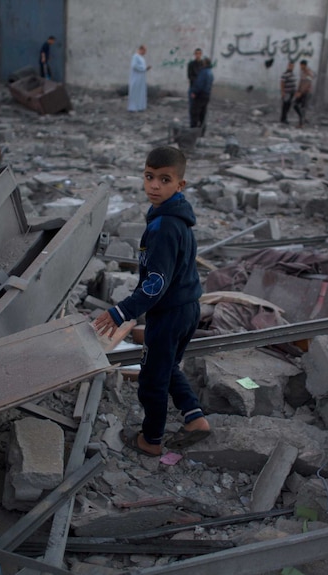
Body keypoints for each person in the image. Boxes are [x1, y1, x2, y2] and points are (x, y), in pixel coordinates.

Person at [93, 146, 211, 457]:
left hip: (169, 314)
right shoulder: (177, 217)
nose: (154, 186)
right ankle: (194, 416)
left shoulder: (164, 227)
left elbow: (155, 284)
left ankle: (151, 440)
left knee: (152, 378)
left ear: (180, 185)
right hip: (188, 308)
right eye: (149, 177)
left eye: (164, 179)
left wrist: (121, 312)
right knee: (168, 366)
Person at [189, 57, 213, 134]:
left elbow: (199, 84)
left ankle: (193, 131)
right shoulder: (210, 72)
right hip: (206, 95)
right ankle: (202, 131)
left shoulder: (203, 72)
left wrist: (194, 92)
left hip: (200, 95)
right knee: (203, 113)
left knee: (195, 112)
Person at [128, 45, 150, 112]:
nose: (145, 53)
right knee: (135, 92)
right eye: (144, 51)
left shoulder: (141, 58)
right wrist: (143, 68)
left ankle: (140, 106)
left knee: (141, 92)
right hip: (136, 78)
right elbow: (134, 66)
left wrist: (146, 68)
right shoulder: (135, 57)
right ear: (141, 49)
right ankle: (133, 107)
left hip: (141, 78)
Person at [187, 48, 204, 126]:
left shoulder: (203, 64)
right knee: (192, 107)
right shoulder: (191, 64)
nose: (198, 55)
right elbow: (190, 76)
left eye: (199, 53)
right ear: (194, 54)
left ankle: (199, 123)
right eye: (196, 53)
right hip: (193, 88)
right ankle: (192, 123)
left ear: (201, 54)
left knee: (200, 107)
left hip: (201, 90)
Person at [294, 59, 313, 127]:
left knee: (303, 107)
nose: (300, 67)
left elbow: (307, 84)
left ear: (304, 65)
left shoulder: (309, 73)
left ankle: (301, 123)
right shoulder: (302, 72)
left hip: (306, 93)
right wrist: (298, 91)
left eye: (301, 65)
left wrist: (301, 93)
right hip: (301, 92)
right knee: (295, 105)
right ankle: (302, 118)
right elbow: (301, 82)